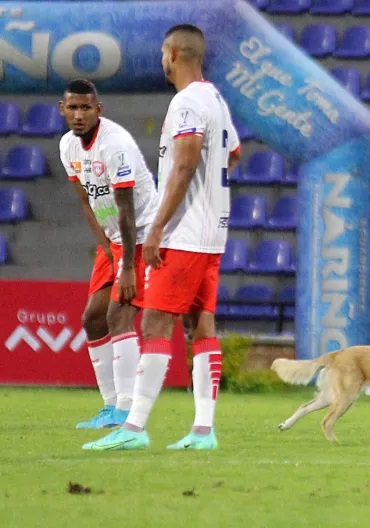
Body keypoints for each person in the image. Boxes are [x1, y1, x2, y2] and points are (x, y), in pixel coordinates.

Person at [84, 24, 240, 451]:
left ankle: (133, 428)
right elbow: (234, 153)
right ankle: (203, 431)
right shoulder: (217, 100)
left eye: (162, 53)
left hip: (184, 235)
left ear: (173, 53)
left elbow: (185, 166)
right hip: (212, 234)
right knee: (201, 324)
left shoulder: (187, 102)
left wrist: (156, 229)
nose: (160, 60)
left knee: (154, 322)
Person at [59, 79, 158, 429]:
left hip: (144, 236)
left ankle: (128, 411)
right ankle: (110, 405)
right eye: (72, 107)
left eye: (86, 107)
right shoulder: (67, 146)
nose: (79, 114)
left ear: (98, 109)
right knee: (92, 318)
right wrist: (105, 247)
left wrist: (127, 264)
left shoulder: (114, 145)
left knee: (119, 316)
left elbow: (126, 208)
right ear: (62, 109)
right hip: (114, 240)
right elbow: (86, 199)